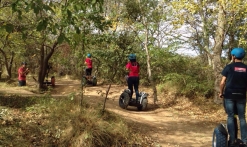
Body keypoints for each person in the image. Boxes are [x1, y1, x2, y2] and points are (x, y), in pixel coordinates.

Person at [219, 47, 247, 146]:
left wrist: (221, 92)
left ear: (233, 56)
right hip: (241, 95)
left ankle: (232, 140)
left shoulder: (229, 67)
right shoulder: (245, 68)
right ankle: (245, 141)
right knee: (242, 117)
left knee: (231, 116)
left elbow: (222, 82)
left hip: (229, 95)